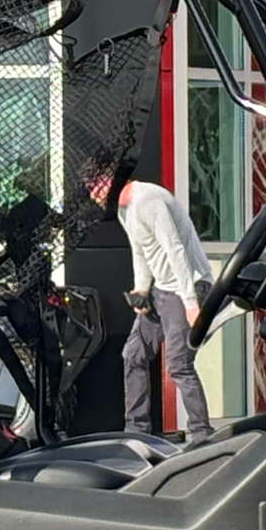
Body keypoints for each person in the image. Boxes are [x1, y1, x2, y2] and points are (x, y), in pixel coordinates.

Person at [93, 172, 216, 445]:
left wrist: (191, 304)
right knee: (133, 354)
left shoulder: (149, 200)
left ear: (113, 181)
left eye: (95, 187)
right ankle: (136, 430)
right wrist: (141, 290)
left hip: (187, 287)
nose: (93, 195)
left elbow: (175, 250)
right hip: (161, 290)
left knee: (178, 364)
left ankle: (201, 432)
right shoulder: (125, 211)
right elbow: (140, 250)